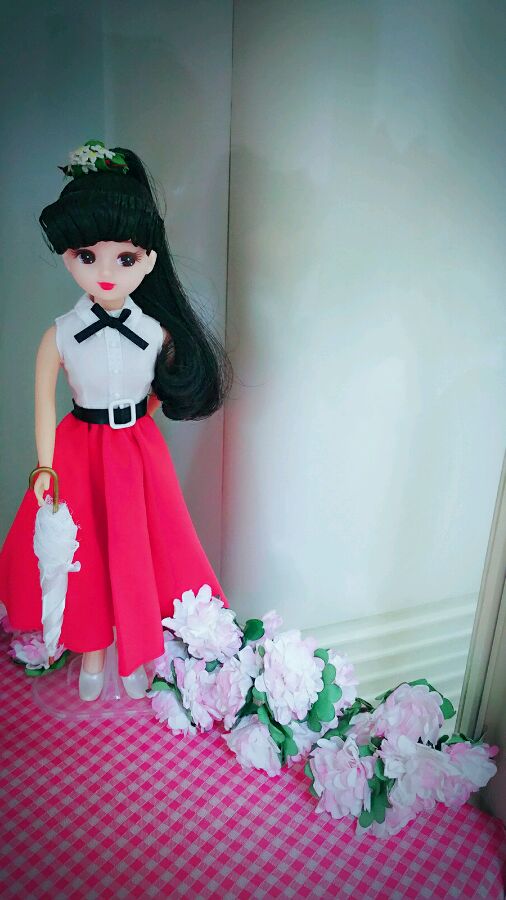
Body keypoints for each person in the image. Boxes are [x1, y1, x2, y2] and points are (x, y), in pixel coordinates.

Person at [0, 141, 233, 702]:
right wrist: (45, 467)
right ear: (68, 256)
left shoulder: (157, 333)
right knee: (86, 553)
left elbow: (161, 390)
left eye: (123, 258)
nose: (105, 272)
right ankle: (93, 652)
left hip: (135, 449)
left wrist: (135, 417)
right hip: (77, 450)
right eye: (87, 255)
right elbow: (44, 404)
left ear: (148, 260)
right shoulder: (59, 335)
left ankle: (138, 646)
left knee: (136, 549)